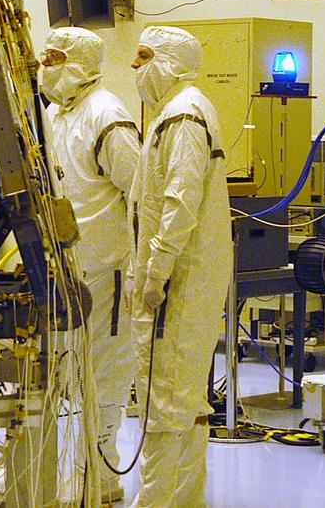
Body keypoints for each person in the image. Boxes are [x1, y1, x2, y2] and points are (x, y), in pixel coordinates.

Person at [126, 25, 231, 508]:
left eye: (143, 56)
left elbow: (179, 201)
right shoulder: (178, 112)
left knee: (164, 400)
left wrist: (155, 273)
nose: (134, 66)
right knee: (184, 401)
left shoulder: (184, 115)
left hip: (177, 283)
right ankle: (186, 501)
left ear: (168, 61)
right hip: (184, 277)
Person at [39, 26, 140, 505]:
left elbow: (139, 192)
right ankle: (66, 469)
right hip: (65, 269)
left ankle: (101, 474)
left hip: (106, 266)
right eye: (44, 58)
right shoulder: (55, 114)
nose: (46, 67)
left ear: (80, 62)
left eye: (55, 58)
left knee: (104, 371)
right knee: (62, 372)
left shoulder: (107, 115)